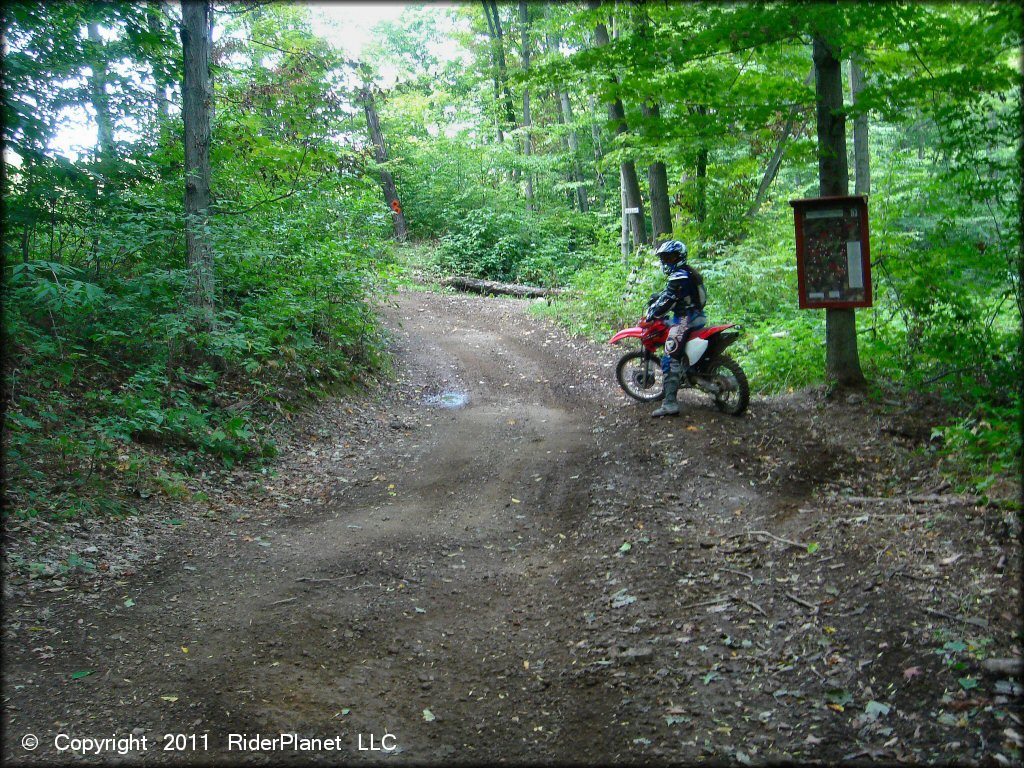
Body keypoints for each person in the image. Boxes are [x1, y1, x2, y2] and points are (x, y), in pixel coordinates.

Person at [643, 240, 706, 418]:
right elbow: (672, 294)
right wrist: (659, 297)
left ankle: (670, 403)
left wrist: (652, 313)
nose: (666, 261)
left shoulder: (679, 276)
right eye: (665, 258)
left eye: (670, 257)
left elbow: (668, 300)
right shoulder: (689, 273)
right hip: (697, 316)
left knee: (669, 358)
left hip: (685, 321)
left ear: (679, 257)